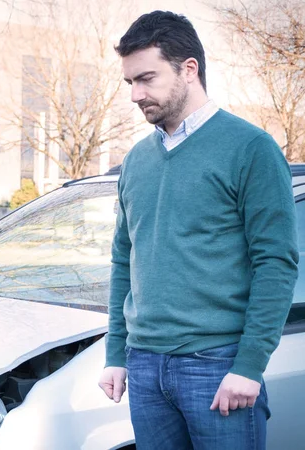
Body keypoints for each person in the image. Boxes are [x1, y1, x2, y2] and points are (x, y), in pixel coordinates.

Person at [97, 10, 299, 450]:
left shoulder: (251, 149)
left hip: (217, 364)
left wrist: (249, 365)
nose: (135, 94)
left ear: (189, 69)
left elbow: (277, 263)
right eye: (130, 82)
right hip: (145, 367)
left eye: (146, 78)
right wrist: (116, 354)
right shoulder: (136, 160)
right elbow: (122, 259)